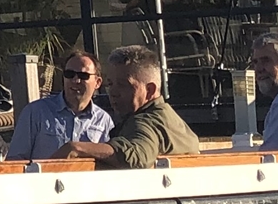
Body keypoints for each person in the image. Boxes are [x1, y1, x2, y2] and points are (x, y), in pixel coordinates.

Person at [70, 45, 204, 168]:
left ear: (150, 90)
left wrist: (76, 148)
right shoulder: (171, 120)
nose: (113, 93)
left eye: (123, 85)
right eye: (110, 84)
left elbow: (137, 156)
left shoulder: (145, 122)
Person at [9, 51, 116, 160]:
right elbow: (15, 160)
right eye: (69, 74)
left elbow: (108, 163)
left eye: (83, 75)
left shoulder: (104, 121)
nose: (76, 80)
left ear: (98, 82)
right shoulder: (35, 112)